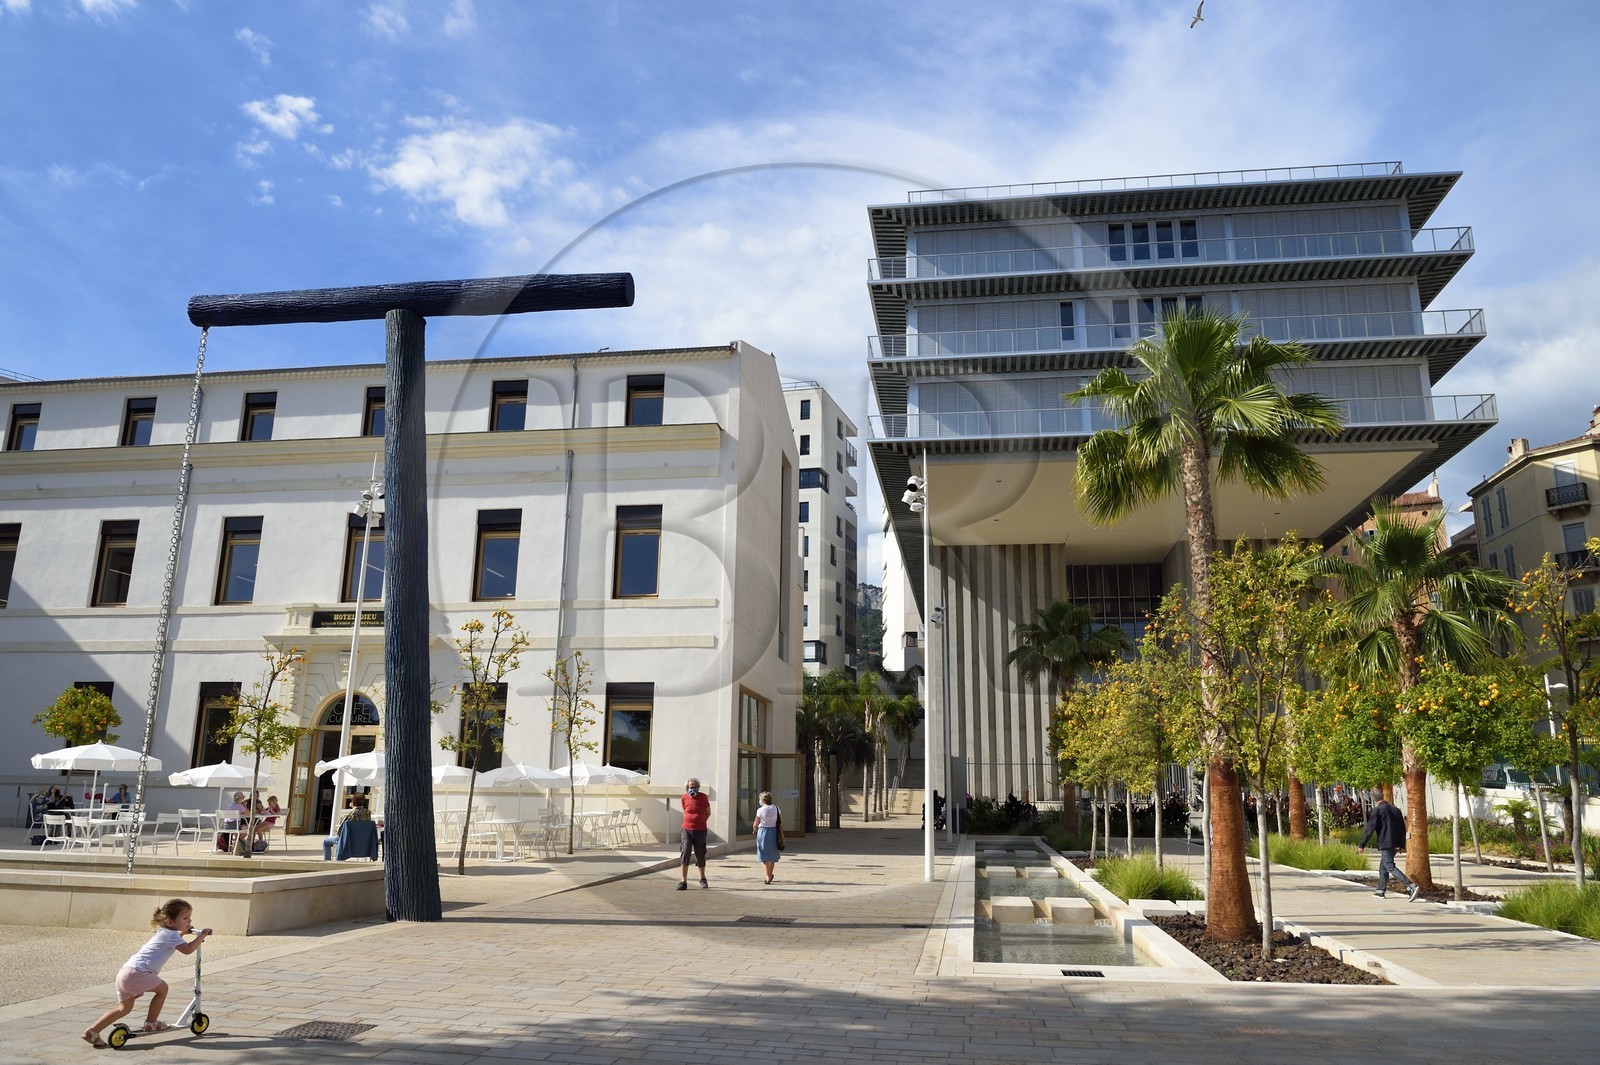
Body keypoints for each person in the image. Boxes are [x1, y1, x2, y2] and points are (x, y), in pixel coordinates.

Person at [82, 898, 210, 1047]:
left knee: (123, 1009)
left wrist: (183, 933)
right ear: (169, 922)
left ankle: (92, 1031)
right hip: (139, 972)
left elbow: (174, 941)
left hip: (126, 972)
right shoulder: (171, 935)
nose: (189, 920)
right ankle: (151, 1023)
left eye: (189, 917)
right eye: (185, 918)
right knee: (163, 989)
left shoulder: (165, 932)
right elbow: (187, 950)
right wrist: (202, 936)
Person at [1357, 794, 1420, 902]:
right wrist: (1401, 844)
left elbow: (1370, 829)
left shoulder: (1378, 810)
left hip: (1386, 844)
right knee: (1383, 867)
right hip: (1395, 844)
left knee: (1390, 866)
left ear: (1373, 799)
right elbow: (1402, 828)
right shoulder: (1396, 810)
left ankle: (1411, 886)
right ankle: (1380, 891)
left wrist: (1362, 845)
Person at [677, 776, 710, 890]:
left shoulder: (703, 797)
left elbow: (708, 812)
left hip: (700, 830)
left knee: (700, 853)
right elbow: (685, 812)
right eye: (691, 787)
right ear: (687, 788)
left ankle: (702, 878)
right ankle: (683, 881)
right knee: (685, 852)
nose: (693, 789)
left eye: (696, 787)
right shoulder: (684, 798)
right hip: (686, 829)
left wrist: (700, 821)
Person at [322, 794, 373, 860]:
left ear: (353, 802)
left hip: (348, 841)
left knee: (325, 842)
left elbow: (341, 832)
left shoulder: (350, 814)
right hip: (363, 841)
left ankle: (327, 862)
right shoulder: (368, 813)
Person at [753, 791, 784, 885]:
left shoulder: (760, 810)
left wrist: (754, 829)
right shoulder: (776, 808)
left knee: (764, 854)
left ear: (762, 800)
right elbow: (781, 821)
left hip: (763, 832)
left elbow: (756, 823)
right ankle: (770, 875)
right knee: (772, 854)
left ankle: (767, 876)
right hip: (774, 832)